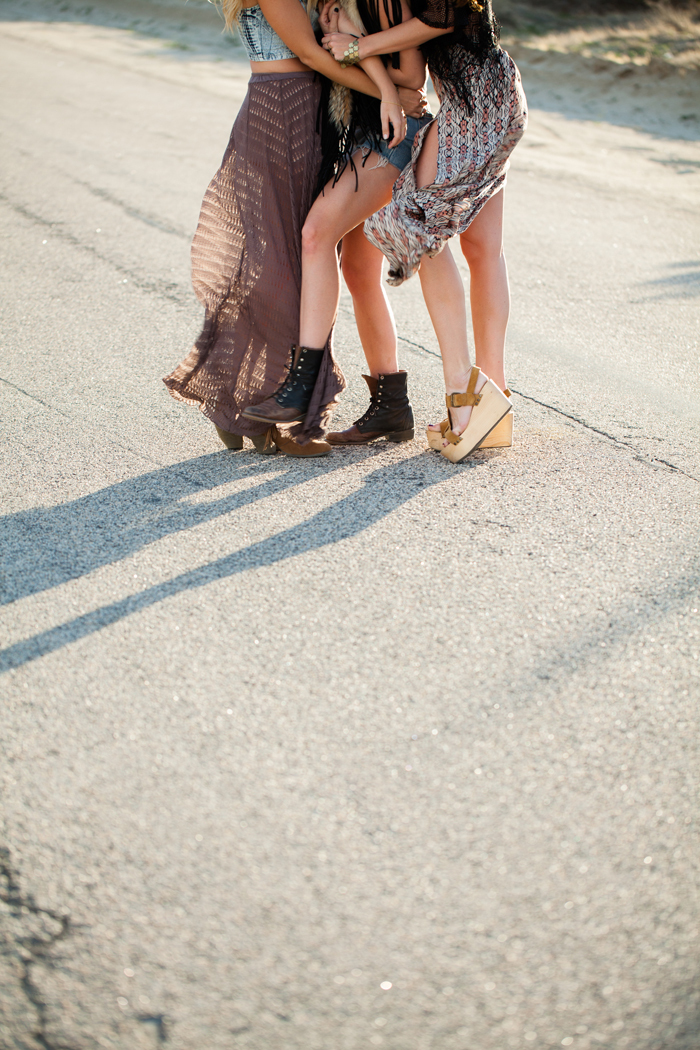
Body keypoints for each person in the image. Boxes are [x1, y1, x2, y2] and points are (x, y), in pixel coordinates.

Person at [163, 0, 413, 456]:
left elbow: (338, 49)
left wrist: (386, 84)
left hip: (307, 116)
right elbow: (314, 56)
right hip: (281, 113)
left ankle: (262, 410)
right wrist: (389, 96)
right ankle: (259, 408)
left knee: (298, 263)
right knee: (282, 265)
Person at [322, 0, 528, 461]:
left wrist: (357, 47)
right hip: (490, 93)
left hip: (478, 101)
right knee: (482, 248)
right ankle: (491, 398)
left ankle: (463, 396)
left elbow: (441, 17)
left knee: (417, 220)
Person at [242, 0, 431, 445]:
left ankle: (302, 386)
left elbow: (412, 77)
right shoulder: (334, 3)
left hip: (393, 139)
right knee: (359, 271)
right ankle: (391, 405)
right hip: (366, 135)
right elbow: (335, 63)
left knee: (315, 234)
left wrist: (352, 47)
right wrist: (350, 49)